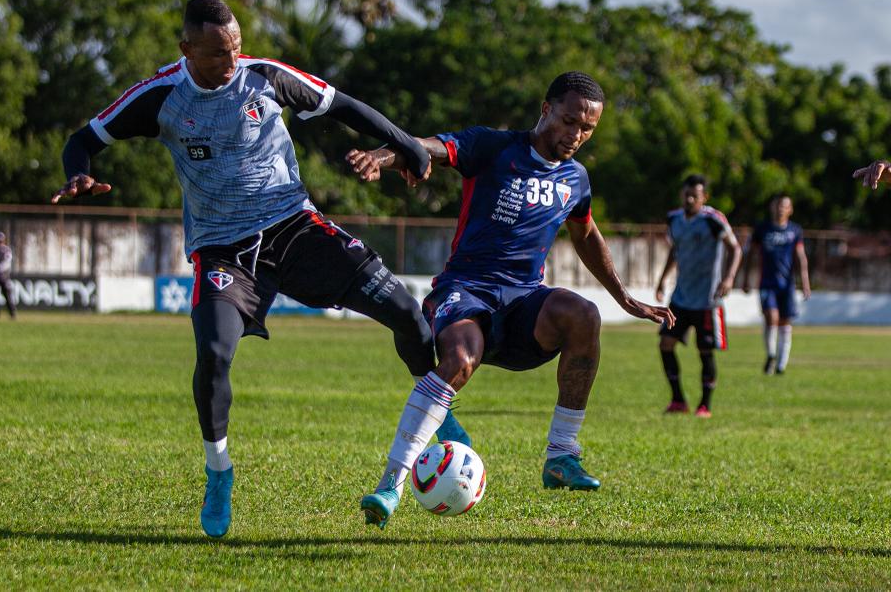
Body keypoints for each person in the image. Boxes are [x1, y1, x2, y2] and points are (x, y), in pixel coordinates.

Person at [50, 0, 469, 538]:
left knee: (407, 314)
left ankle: (440, 423)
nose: (232, 60)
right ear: (186, 50)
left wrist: (407, 145)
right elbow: (83, 139)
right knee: (215, 352)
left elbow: (343, 105)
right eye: (220, 52)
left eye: (237, 46)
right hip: (222, 248)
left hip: (295, 228)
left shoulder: (266, 78)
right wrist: (78, 172)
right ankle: (219, 471)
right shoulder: (160, 96)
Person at [345, 72, 675, 529]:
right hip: (466, 290)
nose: (576, 135)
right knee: (460, 356)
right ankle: (391, 485)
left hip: (524, 302)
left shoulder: (575, 179)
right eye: (569, 120)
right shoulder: (494, 148)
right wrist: (381, 157)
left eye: (587, 129)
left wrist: (624, 297)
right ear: (546, 110)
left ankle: (562, 456)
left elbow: (586, 233)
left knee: (584, 315)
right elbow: (425, 146)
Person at [654, 175, 741, 419]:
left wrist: (729, 278)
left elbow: (736, 248)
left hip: (708, 300)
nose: (690, 199)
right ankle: (678, 400)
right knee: (665, 344)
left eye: (695, 195)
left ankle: (705, 404)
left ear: (705, 197)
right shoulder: (674, 219)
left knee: (705, 351)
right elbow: (675, 249)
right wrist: (662, 279)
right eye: (686, 194)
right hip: (680, 297)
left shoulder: (714, 221)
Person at [741, 195, 811, 375]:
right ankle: (771, 355)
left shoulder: (795, 231)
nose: (780, 209)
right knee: (771, 318)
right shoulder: (762, 229)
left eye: (784, 206)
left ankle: (781, 364)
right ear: (772, 208)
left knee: (785, 322)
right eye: (778, 205)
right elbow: (750, 255)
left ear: (790, 209)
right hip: (767, 283)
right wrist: (745, 279)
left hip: (787, 285)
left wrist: (805, 282)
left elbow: (800, 257)